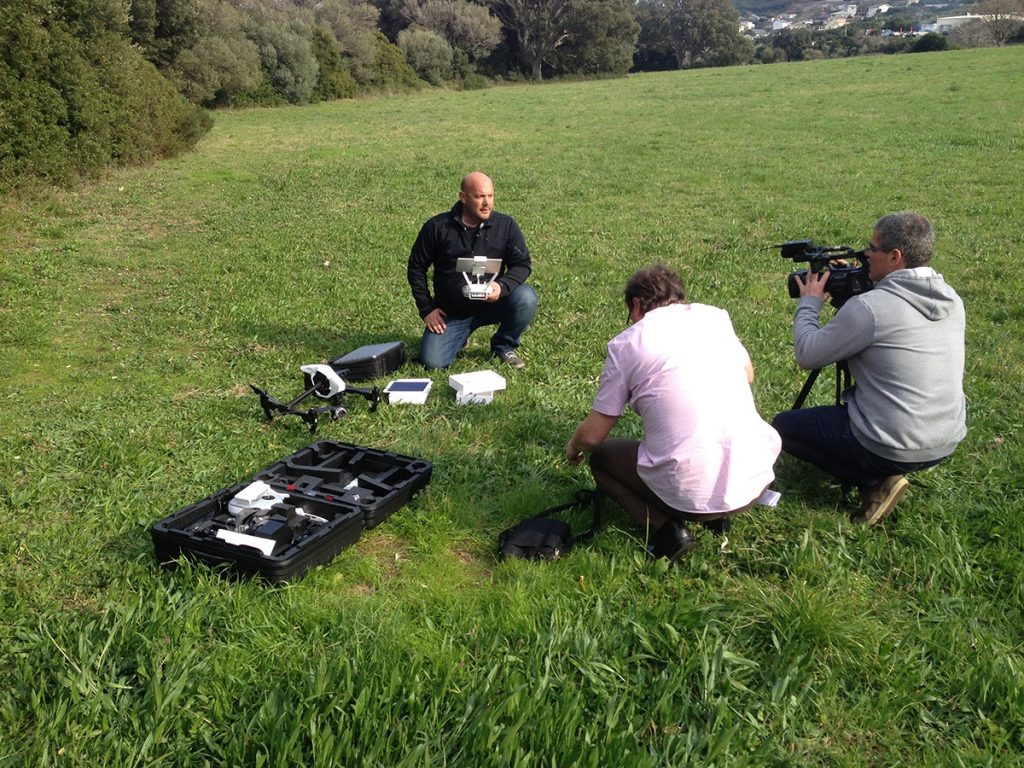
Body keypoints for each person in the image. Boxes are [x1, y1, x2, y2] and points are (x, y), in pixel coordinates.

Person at [565, 264, 781, 560]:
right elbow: (748, 375)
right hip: (755, 481)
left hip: (688, 495)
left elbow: (592, 437)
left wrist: (573, 445)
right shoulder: (714, 317)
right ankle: (718, 517)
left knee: (602, 459)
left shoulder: (628, 343)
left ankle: (666, 531)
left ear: (637, 304)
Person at [771, 211, 966, 525]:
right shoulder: (952, 298)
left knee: (784, 426)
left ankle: (873, 482)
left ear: (894, 256)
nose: (864, 254)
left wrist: (810, 302)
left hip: (894, 444)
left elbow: (807, 354)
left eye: (872, 249)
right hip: (947, 438)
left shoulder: (870, 308)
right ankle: (882, 466)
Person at [407, 172, 537, 370]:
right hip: (452, 312)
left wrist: (501, 286)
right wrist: (427, 309)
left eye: (490, 196)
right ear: (463, 197)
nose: (487, 203)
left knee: (526, 297)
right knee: (433, 362)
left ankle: (503, 345)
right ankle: (459, 337)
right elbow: (416, 267)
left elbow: (522, 264)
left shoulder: (506, 226)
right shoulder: (437, 227)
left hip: (492, 305)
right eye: (479, 197)